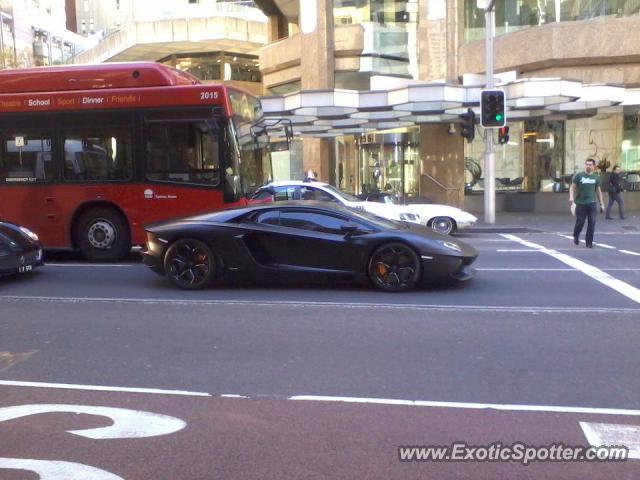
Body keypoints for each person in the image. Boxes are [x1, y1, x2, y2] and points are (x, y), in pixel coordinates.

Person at [569, 158, 605, 248]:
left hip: (592, 203)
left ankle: (589, 242)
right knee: (580, 222)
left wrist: (601, 203)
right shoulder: (579, 176)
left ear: (593, 166)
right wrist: (571, 197)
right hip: (580, 203)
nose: (588, 166)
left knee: (592, 223)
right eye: (587, 164)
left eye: (590, 165)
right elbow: (572, 187)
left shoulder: (596, 177)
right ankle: (576, 235)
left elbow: (598, 190)